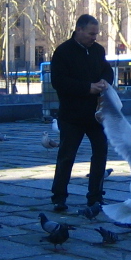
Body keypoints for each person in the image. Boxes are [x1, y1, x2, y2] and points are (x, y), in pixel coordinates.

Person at [50, 14, 114, 213]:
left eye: (96, 34)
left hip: (96, 115)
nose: (94, 38)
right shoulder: (63, 52)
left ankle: (95, 197)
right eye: (91, 34)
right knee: (67, 156)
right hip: (72, 115)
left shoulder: (98, 50)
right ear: (79, 30)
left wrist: (104, 82)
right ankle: (59, 197)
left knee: (100, 154)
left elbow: (107, 70)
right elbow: (59, 82)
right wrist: (87, 88)